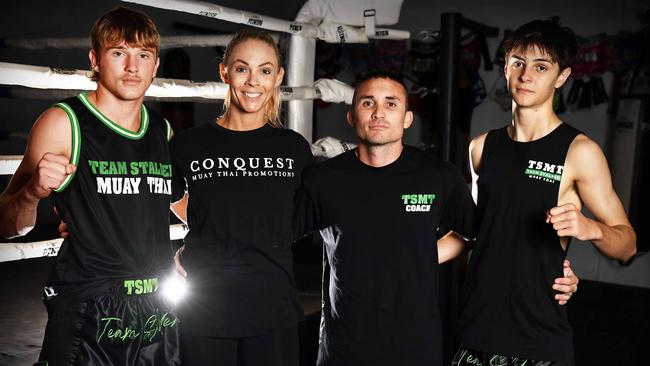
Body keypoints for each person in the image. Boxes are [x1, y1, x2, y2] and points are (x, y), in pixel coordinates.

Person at [0, 7, 179, 365]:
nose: (132, 67)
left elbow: (183, 208)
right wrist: (34, 191)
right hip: (89, 304)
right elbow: (6, 225)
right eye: (119, 53)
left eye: (143, 55)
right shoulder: (64, 122)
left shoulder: (163, 130)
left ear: (155, 66)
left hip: (159, 305)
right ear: (95, 60)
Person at [455, 19, 636, 366]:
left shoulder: (580, 151)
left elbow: (626, 244)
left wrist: (590, 228)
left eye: (541, 67)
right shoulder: (481, 147)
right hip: (475, 329)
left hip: (537, 339)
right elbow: (479, 234)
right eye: (518, 63)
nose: (526, 76)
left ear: (562, 77)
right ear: (505, 66)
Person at [169, 30, 312, 366]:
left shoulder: (293, 148)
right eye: (242, 68)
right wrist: (211, 228)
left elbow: (309, 211)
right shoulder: (188, 144)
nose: (253, 81)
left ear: (278, 77)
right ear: (224, 72)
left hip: (273, 306)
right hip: (205, 306)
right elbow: (167, 196)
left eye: (265, 70)